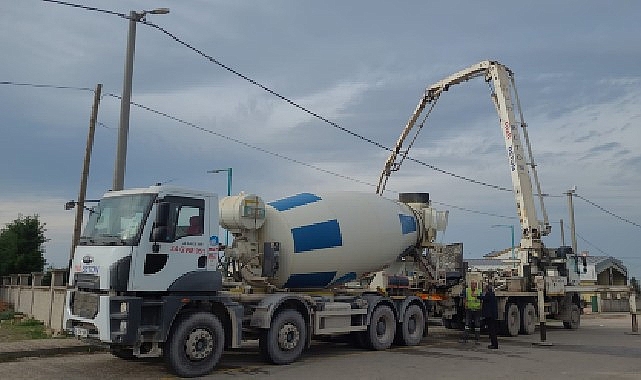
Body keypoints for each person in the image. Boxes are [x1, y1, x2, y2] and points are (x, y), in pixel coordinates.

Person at [461, 279, 482, 344]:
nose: (473, 285)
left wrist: (480, 307)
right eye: (472, 284)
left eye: (474, 284)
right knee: (467, 324)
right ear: (470, 285)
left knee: (477, 325)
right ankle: (465, 338)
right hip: (469, 310)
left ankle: (477, 339)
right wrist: (465, 305)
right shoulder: (467, 291)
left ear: (476, 285)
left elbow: (481, 300)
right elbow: (465, 299)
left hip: (477, 310)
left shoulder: (479, 291)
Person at [480, 283, 499, 349]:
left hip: (490, 316)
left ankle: (494, 344)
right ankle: (494, 344)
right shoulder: (492, 295)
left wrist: (476, 296)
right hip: (492, 315)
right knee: (492, 330)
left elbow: (484, 298)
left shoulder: (489, 294)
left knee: (492, 331)